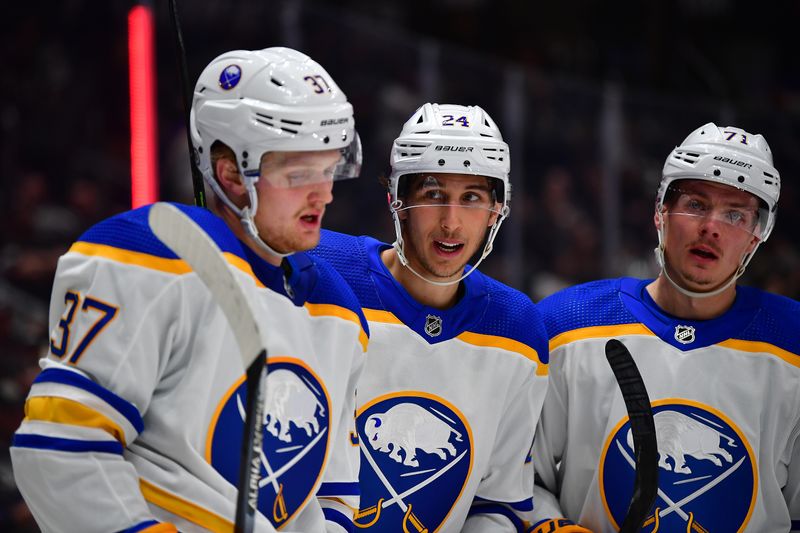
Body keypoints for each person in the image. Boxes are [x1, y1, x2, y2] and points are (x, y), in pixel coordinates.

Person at [10, 47, 368, 532]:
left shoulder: (338, 308)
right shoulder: (149, 254)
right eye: (300, 173)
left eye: (329, 170)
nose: (323, 194)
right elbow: (61, 447)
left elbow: (333, 498)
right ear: (231, 175)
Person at [531, 122, 800, 532]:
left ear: (755, 236)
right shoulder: (567, 325)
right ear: (660, 211)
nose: (711, 226)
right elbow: (512, 479)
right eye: (695, 204)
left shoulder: (792, 343)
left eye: (735, 214)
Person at [311, 103, 550, 532]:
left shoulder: (517, 329)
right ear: (397, 200)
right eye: (434, 195)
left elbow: (498, 504)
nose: (451, 223)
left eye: (471, 198)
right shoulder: (319, 270)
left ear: (497, 210)